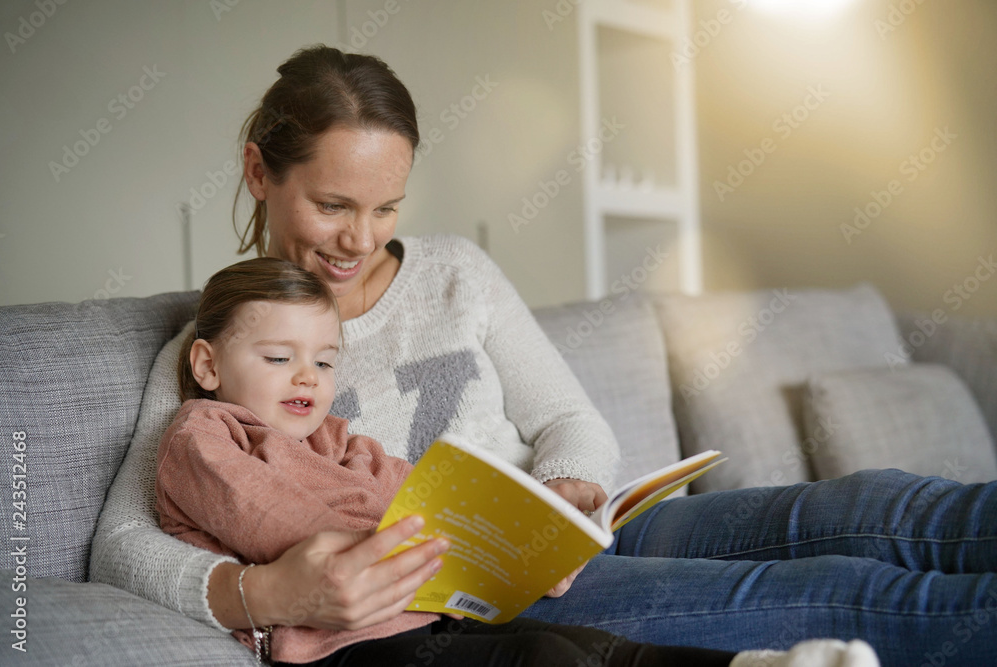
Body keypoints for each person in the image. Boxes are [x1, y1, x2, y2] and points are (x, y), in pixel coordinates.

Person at [90, 44, 997, 666]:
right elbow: (122, 544)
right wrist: (265, 591)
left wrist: (566, 491)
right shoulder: (224, 352)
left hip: (582, 537)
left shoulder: (457, 274)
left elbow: (569, 422)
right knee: (841, 590)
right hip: (479, 597)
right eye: (333, 205)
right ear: (259, 173)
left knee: (881, 505)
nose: (358, 239)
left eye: (386, 207)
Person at [155, 256, 740, 666]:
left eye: (326, 362)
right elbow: (271, 522)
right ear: (207, 366)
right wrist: (420, 548)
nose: (308, 375)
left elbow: (419, 493)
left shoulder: (333, 440)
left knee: (575, 642)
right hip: (339, 648)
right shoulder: (205, 435)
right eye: (280, 357)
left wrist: (522, 539)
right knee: (540, 657)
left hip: (430, 615)